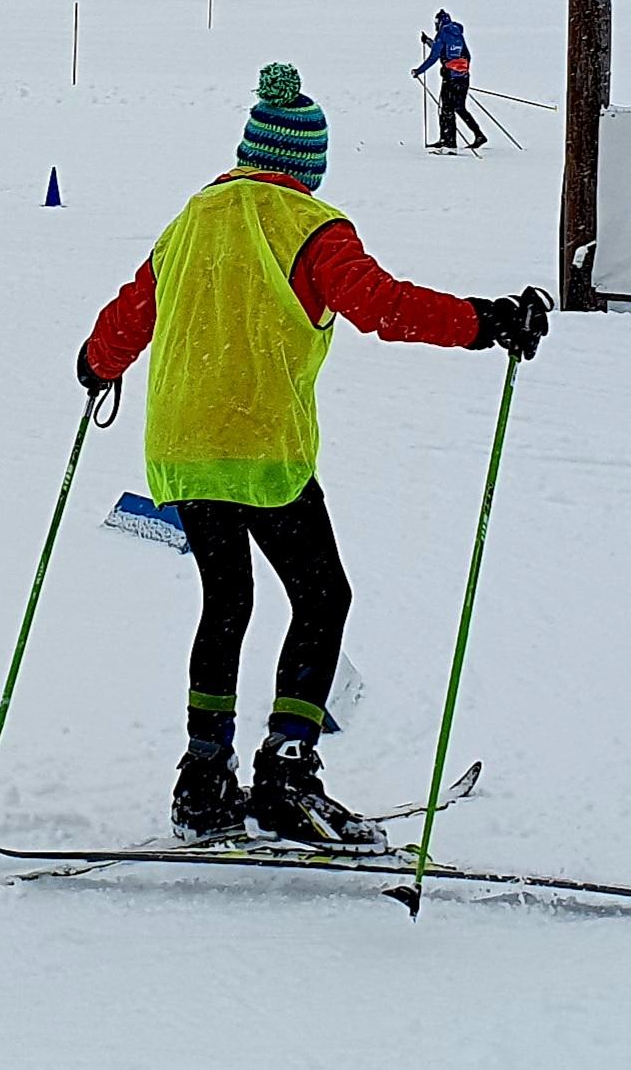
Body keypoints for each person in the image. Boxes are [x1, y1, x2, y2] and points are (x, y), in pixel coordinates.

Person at [76, 62, 547, 846]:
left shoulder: (190, 217)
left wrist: (97, 363)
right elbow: (382, 307)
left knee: (225, 602)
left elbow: (133, 310)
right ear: (305, 165)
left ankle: (202, 781)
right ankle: (287, 775)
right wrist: (484, 321)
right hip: (260, 448)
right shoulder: (312, 227)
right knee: (322, 599)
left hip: (181, 448)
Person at [411, 9, 482, 151]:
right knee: (459, 108)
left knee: (446, 110)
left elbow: (434, 56)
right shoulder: (457, 34)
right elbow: (461, 54)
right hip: (463, 78)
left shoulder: (442, 35)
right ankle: (478, 135)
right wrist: (428, 41)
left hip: (450, 79)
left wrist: (418, 71)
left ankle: (448, 142)